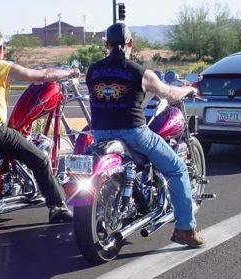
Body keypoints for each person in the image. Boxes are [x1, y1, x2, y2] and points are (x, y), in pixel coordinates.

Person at [86, 23, 205, 247]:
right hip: (134, 134)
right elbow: (170, 93)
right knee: (176, 169)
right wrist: (188, 89)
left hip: (101, 134)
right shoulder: (140, 72)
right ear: (130, 43)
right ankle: (185, 229)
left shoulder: (92, 71)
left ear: (107, 45)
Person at [0, 30, 79, 223]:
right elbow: (42, 75)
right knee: (40, 160)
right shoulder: (1, 67)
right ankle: (58, 207)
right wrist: (69, 72)